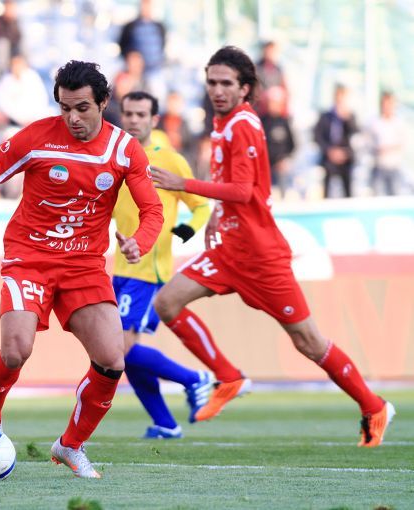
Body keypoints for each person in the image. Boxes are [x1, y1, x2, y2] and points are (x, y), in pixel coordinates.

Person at [0, 61, 163, 478]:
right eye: (65, 108)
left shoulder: (124, 150)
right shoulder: (37, 138)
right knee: (16, 351)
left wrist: (140, 241)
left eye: (82, 108)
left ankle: (70, 445)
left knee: (112, 360)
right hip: (30, 257)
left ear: (103, 102)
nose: (72, 117)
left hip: (84, 265)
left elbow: (152, 210)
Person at [152, 46, 394, 447]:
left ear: (245, 88)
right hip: (229, 250)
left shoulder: (243, 125)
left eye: (226, 83)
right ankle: (228, 377)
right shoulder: (222, 121)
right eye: (212, 82)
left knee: (308, 342)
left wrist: (184, 184)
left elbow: (244, 190)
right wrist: (216, 216)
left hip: (261, 258)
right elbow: (232, 185)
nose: (217, 90)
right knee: (167, 303)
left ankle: (374, 405)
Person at [113, 91, 212, 439]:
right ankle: (166, 424)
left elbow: (201, 205)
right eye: (128, 113)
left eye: (141, 114)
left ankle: (194, 379)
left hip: (149, 272)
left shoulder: (168, 159)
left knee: (119, 349)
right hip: (120, 269)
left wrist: (185, 230)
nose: (133, 120)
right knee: (121, 355)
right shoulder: (114, 154)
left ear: (154, 120)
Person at [314, 84, 357, 198]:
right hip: (329, 157)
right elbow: (318, 137)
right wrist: (330, 151)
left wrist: (346, 118)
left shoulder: (350, 117)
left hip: (346, 158)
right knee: (327, 188)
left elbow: (354, 135)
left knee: (348, 189)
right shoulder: (325, 116)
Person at [367, 91, 404, 196]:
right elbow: (368, 142)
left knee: (396, 196)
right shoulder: (374, 122)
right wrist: (376, 149)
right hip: (378, 167)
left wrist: (387, 148)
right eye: (385, 103)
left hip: (394, 167)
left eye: (390, 103)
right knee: (378, 197)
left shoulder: (399, 123)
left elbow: (402, 143)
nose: (387, 106)